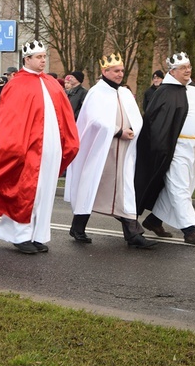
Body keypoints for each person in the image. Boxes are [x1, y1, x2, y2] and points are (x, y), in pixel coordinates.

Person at [0, 40, 80, 254]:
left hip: (50, 150)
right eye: (38, 57)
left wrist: (66, 143)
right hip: (28, 149)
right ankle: (20, 234)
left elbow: (64, 116)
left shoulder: (52, 83)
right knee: (25, 191)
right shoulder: (16, 84)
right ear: (26, 59)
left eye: (44, 56)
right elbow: (10, 120)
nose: (43, 60)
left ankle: (37, 235)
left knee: (44, 193)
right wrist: (16, 147)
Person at [65, 54, 156, 249]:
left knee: (122, 189)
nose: (120, 74)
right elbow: (93, 119)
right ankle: (78, 227)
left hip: (123, 149)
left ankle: (132, 232)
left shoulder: (123, 92)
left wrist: (133, 130)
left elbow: (135, 116)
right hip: (101, 148)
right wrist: (117, 131)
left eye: (122, 71)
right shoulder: (97, 93)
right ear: (104, 72)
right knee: (94, 185)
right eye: (116, 71)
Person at [134, 52, 195, 245]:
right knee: (179, 186)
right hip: (176, 147)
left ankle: (154, 220)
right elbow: (155, 123)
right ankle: (190, 230)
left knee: (186, 185)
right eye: (183, 68)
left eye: (189, 67)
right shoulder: (164, 93)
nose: (188, 71)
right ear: (173, 71)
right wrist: (162, 148)